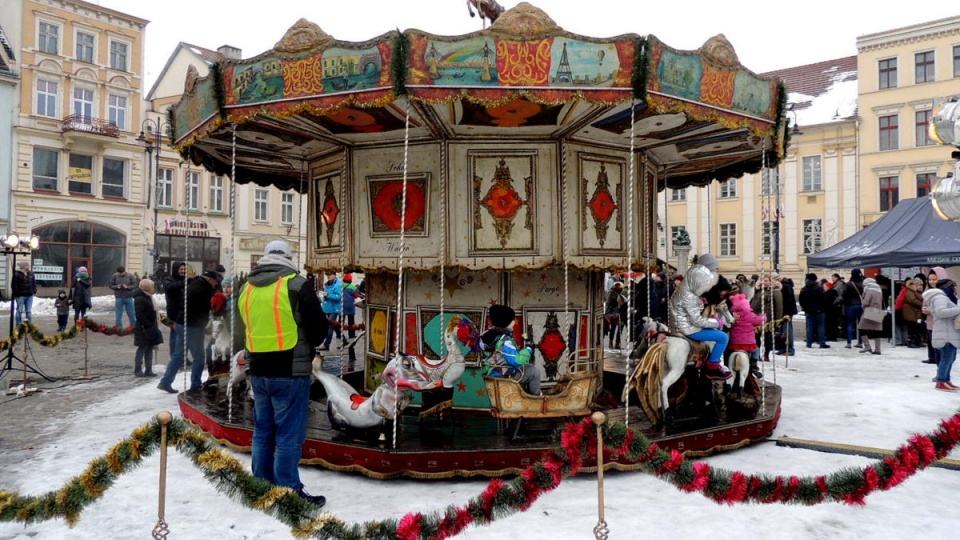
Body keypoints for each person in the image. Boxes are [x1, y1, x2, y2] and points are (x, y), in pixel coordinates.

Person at [235, 240, 328, 506]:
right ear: (289, 257)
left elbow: (242, 328)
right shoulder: (297, 285)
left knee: (263, 430)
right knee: (289, 432)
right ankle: (288, 490)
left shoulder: (246, 288)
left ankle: (261, 485)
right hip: (290, 369)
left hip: (258, 370)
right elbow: (319, 328)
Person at [667, 256, 733, 380]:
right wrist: (716, 322)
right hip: (687, 328)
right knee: (722, 337)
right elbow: (697, 320)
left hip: (681, 324)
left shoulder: (686, 289)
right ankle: (713, 367)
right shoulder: (689, 296)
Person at [480, 304, 542, 394]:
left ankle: (525, 393)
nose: (514, 321)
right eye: (512, 319)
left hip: (490, 372)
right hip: (503, 375)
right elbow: (516, 361)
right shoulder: (504, 340)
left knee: (529, 367)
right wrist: (528, 348)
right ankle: (536, 399)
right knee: (534, 371)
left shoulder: (485, 334)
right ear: (505, 322)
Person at [183, 269, 220, 390]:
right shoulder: (203, 290)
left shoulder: (196, 284)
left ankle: (195, 382)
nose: (216, 285)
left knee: (195, 355)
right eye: (216, 282)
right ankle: (195, 384)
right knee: (199, 357)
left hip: (190, 324)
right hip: (194, 325)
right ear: (210, 280)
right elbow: (206, 308)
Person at [923, 278, 960, 392]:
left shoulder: (944, 297)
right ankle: (941, 381)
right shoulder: (940, 297)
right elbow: (941, 312)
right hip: (945, 333)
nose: (954, 289)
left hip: (948, 332)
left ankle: (946, 379)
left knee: (951, 357)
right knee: (946, 358)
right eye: (952, 286)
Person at [158, 262, 188, 393]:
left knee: (182, 338)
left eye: (184, 269)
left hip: (184, 313)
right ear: (176, 269)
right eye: (181, 269)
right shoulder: (169, 279)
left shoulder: (185, 280)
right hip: (173, 313)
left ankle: (182, 358)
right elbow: (170, 288)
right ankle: (175, 357)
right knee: (175, 337)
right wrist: (185, 282)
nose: (182, 271)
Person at [727, 292, 765, 379]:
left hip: (734, 343)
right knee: (756, 350)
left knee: (729, 352)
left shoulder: (732, 316)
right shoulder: (749, 315)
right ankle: (754, 364)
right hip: (748, 344)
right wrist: (763, 317)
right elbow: (758, 321)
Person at [132, 279, 162, 377]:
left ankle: (148, 369)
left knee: (149, 348)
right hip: (143, 328)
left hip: (150, 326)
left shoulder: (148, 297)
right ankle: (138, 369)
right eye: (152, 286)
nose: (154, 288)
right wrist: (148, 324)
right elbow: (139, 315)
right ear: (147, 287)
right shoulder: (140, 298)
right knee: (142, 348)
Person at [750, 274, 783, 362]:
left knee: (767, 338)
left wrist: (778, 321)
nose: (763, 282)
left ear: (770, 282)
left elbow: (779, 307)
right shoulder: (757, 291)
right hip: (756, 318)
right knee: (756, 338)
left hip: (768, 319)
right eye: (762, 280)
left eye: (766, 281)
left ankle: (766, 355)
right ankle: (756, 355)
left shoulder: (774, 291)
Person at [922, 267, 948, 365]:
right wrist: (924, 310)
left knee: (942, 350)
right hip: (931, 323)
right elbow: (924, 304)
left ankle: (942, 374)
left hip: (943, 325)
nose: (932, 282)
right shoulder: (928, 291)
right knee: (932, 345)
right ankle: (933, 360)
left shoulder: (947, 292)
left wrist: (932, 310)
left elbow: (948, 309)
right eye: (930, 279)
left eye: (934, 279)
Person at [798, 273, 829, 348]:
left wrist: (805, 308)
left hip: (809, 311)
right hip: (819, 311)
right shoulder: (819, 288)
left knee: (810, 327)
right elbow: (823, 299)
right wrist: (822, 308)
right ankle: (822, 343)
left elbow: (801, 300)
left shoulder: (804, 289)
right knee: (820, 326)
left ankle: (809, 343)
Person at [857, 277, 885, 355]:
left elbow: (866, 302)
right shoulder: (879, 290)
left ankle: (867, 346)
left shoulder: (869, 290)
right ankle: (877, 349)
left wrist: (862, 305)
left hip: (869, 311)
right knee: (877, 331)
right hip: (878, 311)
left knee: (861, 328)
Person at [318, 273, 343, 351]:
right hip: (327, 308)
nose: (328, 276)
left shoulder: (337, 285)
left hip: (333, 309)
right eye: (327, 275)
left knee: (330, 327)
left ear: (334, 275)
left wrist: (327, 295)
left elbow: (338, 297)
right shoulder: (327, 284)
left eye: (330, 274)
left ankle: (326, 344)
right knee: (334, 326)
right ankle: (344, 340)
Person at [842, 269, 865, 348]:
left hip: (851, 305)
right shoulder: (863, 284)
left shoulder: (849, 284)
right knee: (861, 324)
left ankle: (849, 343)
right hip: (861, 305)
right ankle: (860, 342)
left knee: (850, 324)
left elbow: (844, 295)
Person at [776, 276, 798, 356]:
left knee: (787, 330)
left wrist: (786, 313)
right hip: (783, 312)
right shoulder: (784, 286)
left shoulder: (786, 286)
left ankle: (790, 349)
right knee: (782, 331)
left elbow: (787, 300)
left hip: (786, 312)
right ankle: (783, 348)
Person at [902, 278, 925, 348]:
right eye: (918, 285)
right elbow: (912, 300)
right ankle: (912, 342)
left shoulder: (915, 292)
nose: (920, 286)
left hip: (914, 312)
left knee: (917, 327)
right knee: (912, 327)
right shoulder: (910, 292)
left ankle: (917, 341)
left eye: (921, 285)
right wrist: (922, 304)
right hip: (911, 312)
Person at [604, 281, 625, 349]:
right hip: (613, 313)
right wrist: (608, 313)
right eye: (617, 286)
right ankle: (611, 342)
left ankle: (617, 343)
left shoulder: (622, 293)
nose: (619, 287)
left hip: (621, 313)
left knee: (620, 329)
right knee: (613, 328)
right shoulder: (611, 293)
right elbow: (608, 303)